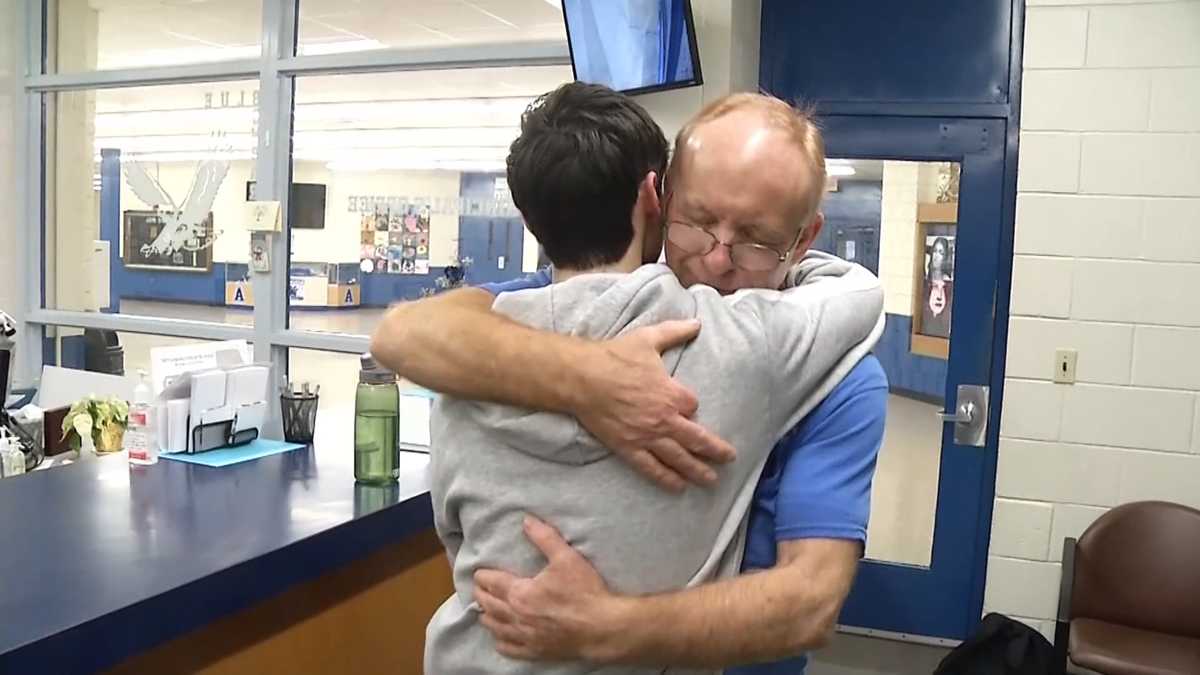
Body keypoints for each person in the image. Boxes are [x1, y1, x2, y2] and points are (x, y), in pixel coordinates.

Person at [371, 90, 890, 674]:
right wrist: (591, 380)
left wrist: (605, 627)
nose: (718, 260)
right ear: (660, 197)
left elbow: (809, 605)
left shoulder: (841, 378)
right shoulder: (533, 313)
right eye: (696, 221)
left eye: (756, 240)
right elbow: (405, 335)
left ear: (805, 237)